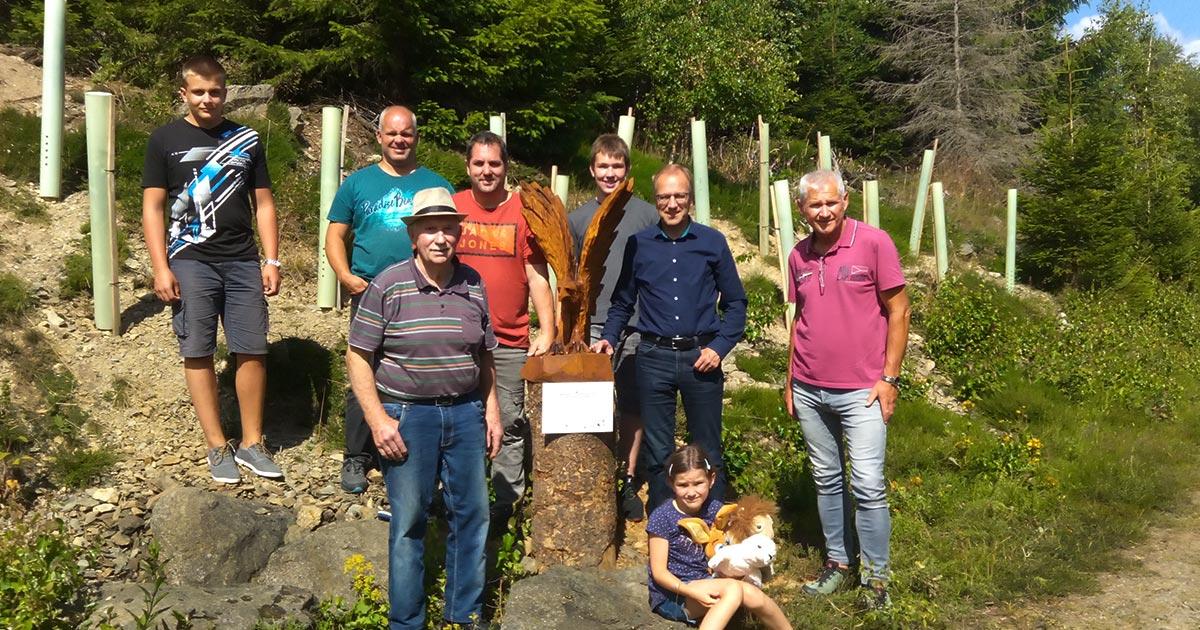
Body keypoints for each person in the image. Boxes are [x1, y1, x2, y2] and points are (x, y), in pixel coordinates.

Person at [345, 187, 502, 630]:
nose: (440, 238)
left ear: (458, 233)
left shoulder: (473, 284)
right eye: (429, 229)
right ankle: (406, 622)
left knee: (473, 516)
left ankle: (464, 616)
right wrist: (377, 420)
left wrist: (491, 412)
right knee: (410, 520)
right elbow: (358, 355)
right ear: (414, 236)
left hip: (466, 413)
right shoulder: (388, 285)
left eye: (448, 229)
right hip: (408, 416)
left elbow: (484, 356)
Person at [141, 54, 282, 484]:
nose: (208, 99)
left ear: (226, 92)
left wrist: (271, 259)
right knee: (197, 350)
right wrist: (160, 267)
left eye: (215, 91)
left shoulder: (247, 139)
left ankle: (252, 444)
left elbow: (264, 203)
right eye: (198, 92)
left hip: (241, 259)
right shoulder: (163, 139)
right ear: (183, 93)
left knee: (252, 348)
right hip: (189, 260)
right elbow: (152, 206)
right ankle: (217, 445)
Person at [785, 169, 910, 609]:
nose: (823, 211)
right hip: (809, 387)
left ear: (845, 202)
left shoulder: (874, 243)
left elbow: (899, 310)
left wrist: (890, 378)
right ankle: (837, 563)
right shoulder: (798, 256)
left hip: (864, 391)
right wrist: (790, 382)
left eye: (830, 203)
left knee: (869, 484)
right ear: (802, 209)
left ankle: (876, 579)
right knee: (826, 478)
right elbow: (799, 321)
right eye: (814, 205)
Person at [592, 164, 747, 513]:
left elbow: (736, 304)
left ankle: (712, 527)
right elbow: (622, 301)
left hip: (701, 357)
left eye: (679, 196)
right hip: (654, 358)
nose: (672, 204)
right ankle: (663, 527)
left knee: (707, 447)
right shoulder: (639, 245)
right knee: (660, 450)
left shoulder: (712, 242)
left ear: (690, 199)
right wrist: (609, 338)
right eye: (664, 197)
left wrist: (719, 348)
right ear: (655, 200)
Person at [325, 105, 455, 493]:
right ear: (379, 136)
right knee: (364, 370)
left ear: (416, 137)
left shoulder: (436, 185)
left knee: (417, 373)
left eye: (407, 134)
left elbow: (450, 237)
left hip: (422, 294)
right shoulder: (357, 184)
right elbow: (335, 236)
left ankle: (407, 453)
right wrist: (345, 276)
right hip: (368, 291)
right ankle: (356, 455)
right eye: (392, 133)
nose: (399, 140)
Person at [451, 131, 555, 524]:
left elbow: (537, 275)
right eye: (479, 163)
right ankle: (462, 494)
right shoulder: (454, 207)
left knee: (510, 421)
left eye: (494, 164)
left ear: (506, 167)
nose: (486, 171)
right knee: (462, 418)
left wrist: (547, 331)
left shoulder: (522, 212)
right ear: (468, 166)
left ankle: (504, 501)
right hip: (459, 339)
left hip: (509, 338)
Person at [568, 133, 659, 520]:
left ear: (627, 170)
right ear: (592, 170)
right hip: (591, 327)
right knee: (592, 406)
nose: (610, 173)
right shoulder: (576, 219)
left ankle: (626, 478)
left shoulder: (648, 215)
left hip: (638, 325)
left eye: (617, 167)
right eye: (603, 166)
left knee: (632, 407)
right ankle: (594, 476)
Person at [646, 443, 791, 630]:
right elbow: (659, 573)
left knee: (752, 594)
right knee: (732, 589)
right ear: (671, 483)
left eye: (698, 483)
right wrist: (692, 592)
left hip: (710, 581)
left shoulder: (715, 509)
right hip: (675, 594)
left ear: (711, 479)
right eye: (682, 485)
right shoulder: (662, 517)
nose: (691, 492)